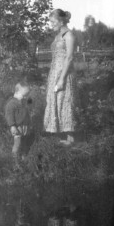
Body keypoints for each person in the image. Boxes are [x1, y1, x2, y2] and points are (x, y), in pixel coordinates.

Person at [43, 9, 77, 145]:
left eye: (53, 21)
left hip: (65, 73)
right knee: (55, 101)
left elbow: (69, 58)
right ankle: (61, 135)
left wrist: (62, 78)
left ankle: (70, 138)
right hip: (54, 72)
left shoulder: (69, 35)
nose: (51, 24)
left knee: (65, 101)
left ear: (61, 21)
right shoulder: (58, 36)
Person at [5, 81, 31, 161]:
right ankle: (14, 159)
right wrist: (12, 126)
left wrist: (28, 123)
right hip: (17, 127)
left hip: (24, 126)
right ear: (17, 92)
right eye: (24, 95)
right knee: (18, 143)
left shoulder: (23, 102)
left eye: (27, 95)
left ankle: (24, 157)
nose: (25, 97)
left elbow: (26, 113)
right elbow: (9, 115)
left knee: (25, 143)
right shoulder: (12, 103)